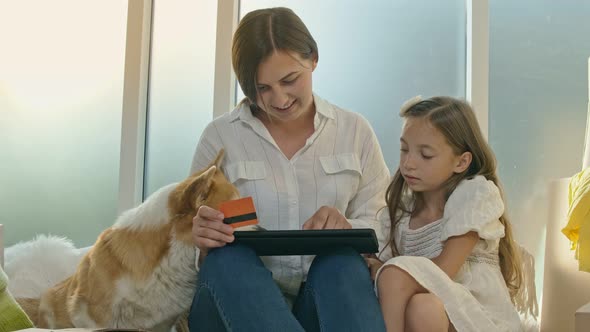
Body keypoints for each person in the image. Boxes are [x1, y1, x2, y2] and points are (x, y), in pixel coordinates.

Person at [187, 7, 389, 332]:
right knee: (227, 260)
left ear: (313, 59)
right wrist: (199, 239)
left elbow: (384, 228)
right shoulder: (220, 137)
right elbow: (184, 245)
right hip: (234, 304)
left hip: (322, 303)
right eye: (261, 88)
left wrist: (347, 226)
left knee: (343, 260)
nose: (278, 99)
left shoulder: (355, 132)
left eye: (289, 80)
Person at [366, 96, 523, 331]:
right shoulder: (399, 215)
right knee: (422, 306)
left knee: (397, 280)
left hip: (479, 318)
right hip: (431, 314)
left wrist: (389, 272)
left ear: (461, 162)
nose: (408, 163)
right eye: (404, 150)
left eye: (425, 155)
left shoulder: (473, 195)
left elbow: (445, 270)